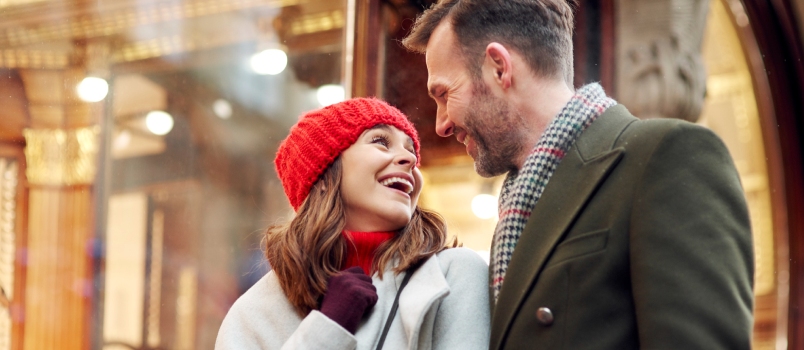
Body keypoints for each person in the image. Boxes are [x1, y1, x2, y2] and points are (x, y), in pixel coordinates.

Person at [402, 1, 754, 349]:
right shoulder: (517, 212)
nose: (442, 123)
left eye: (445, 93)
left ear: (499, 67)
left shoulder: (668, 156)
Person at [215, 98, 490, 349]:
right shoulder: (253, 315)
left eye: (411, 151)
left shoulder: (455, 275)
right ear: (323, 175)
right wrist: (328, 329)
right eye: (381, 141)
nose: (410, 160)